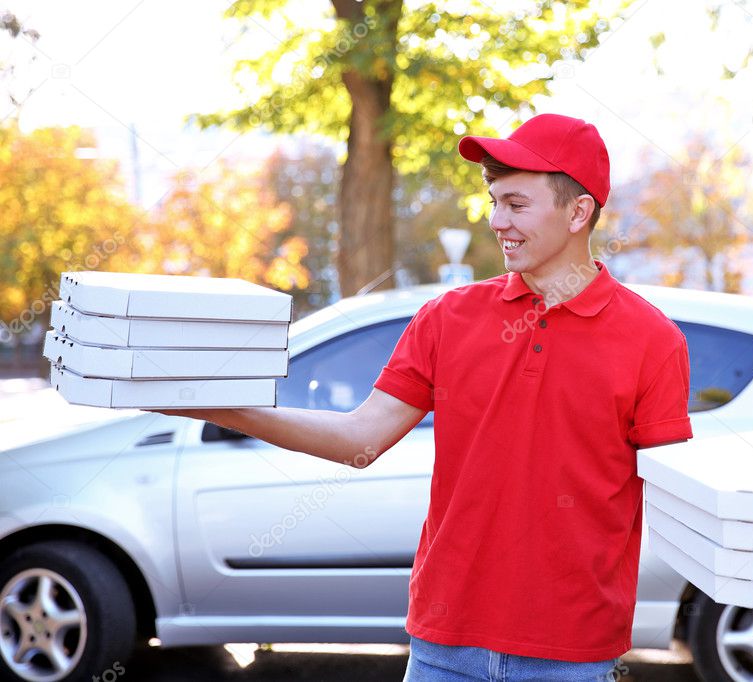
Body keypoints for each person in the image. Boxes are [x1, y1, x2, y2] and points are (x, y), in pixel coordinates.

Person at [152, 113, 693, 682]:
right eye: (493, 201)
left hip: (573, 656)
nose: (496, 221)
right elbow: (359, 440)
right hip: (444, 647)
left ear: (578, 211)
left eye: (516, 204)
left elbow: (678, 496)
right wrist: (214, 406)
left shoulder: (652, 341)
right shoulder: (447, 319)